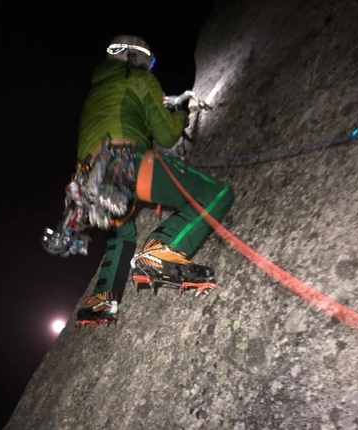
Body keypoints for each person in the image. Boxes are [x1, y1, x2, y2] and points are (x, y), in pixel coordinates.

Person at [43, 35, 234, 326]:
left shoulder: (95, 94)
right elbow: (167, 135)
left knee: (122, 234)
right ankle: (162, 250)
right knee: (216, 193)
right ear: (136, 58)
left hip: (90, 183)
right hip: (127, 161)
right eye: (149, 62)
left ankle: (103, 299)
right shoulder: (141, 80)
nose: (150, 66)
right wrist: (181, 117)